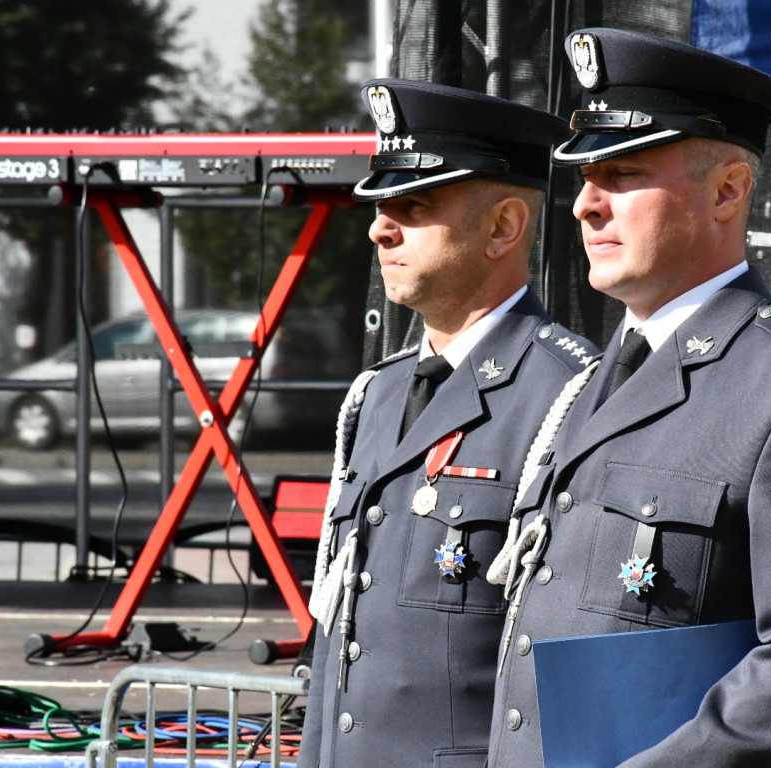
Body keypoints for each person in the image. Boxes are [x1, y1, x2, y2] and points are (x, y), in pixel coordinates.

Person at [486, 28, 771, 768]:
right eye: (584, 178)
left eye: (622, 174)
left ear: (727, 190)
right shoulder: (593, 382)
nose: (585, 205)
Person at [296, 79, 599, 768]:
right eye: (381, 207)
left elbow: (569, 654)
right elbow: (337, 629)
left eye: (414, 206)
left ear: (503, 227)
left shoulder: (572, 393)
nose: (379, 228)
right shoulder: (376, 395)